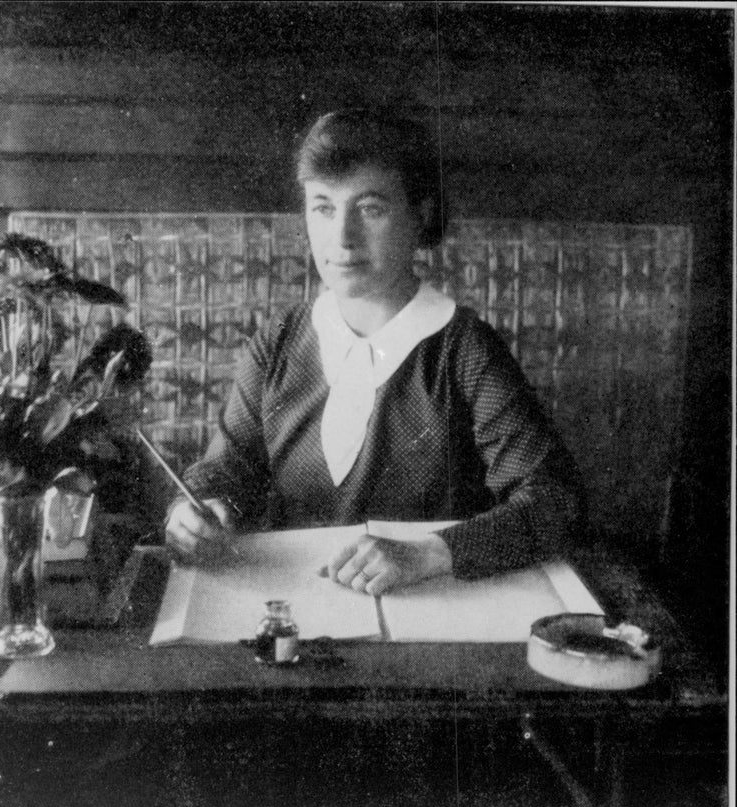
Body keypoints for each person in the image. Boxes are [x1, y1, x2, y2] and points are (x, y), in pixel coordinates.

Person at [165, 107, 584, 595]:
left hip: (431, 603)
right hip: (293, 602)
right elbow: (227, 467)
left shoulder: (464, 349)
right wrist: (200, 509)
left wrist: (433, 553)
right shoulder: (279, 340)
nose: (342, 239)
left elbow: (553, 500)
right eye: (323, 207)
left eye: (370, 209)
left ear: (420, 215)